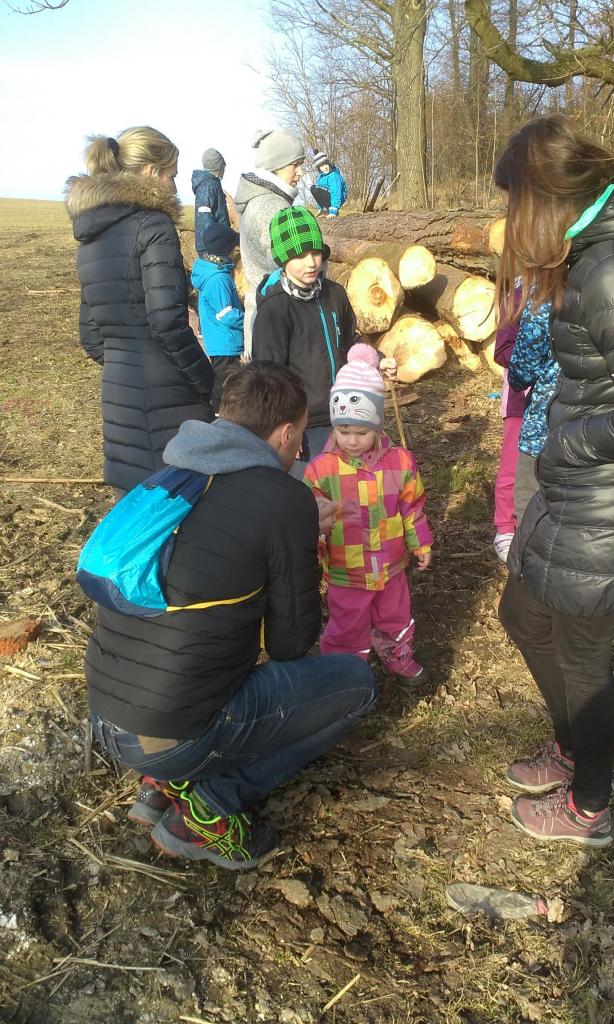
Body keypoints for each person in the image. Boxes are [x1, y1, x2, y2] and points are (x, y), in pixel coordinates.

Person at [85, 361, 378, 870]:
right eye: (297, 439)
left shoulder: (169, 474)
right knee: (357, 684)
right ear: (286, 434)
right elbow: (290, 645)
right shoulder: (283, 498)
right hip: (174, 731)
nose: (298, 449)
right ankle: (211, 802)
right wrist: (301, 539)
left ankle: (161, 785)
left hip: (108, 714)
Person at [494, 115, 614, 847]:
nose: (511, 218)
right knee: (523, 614)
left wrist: (562, 448)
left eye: (515, 201)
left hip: (612, 500)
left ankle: (589, 807)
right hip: (582, 490)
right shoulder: (595, 253)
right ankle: (572, 747)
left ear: (544, 196)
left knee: (583, 656)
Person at [66, 127, 214, 497]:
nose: (175, 186)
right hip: (171, 404)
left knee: (133, 515)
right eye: (172, 175)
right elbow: (166, 322)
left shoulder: (91, 238)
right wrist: (207, 382)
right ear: (150, 172)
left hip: (119, 402)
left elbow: (91, 336)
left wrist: (126, 364)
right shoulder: (154, 225)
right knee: (181, 512)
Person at [304, 344, 433, 678]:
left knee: (395, 614)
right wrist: (313, 546)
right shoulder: (321, 470)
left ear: (378, 424)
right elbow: (310, 517)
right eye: (343, 431)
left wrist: (420, 542)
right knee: (347, 622)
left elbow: (412, 506)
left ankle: (396, 653)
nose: (351, 440)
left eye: (361, 432)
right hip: (346, 568)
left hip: (391, 564)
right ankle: (345, 672)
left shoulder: (400, 462)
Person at [252, 206, 359, 475]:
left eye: (316, 252)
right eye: (300, 256)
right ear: (283, 260)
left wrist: (376, 360)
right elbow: (268, 375)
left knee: (353, 485)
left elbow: (351, 339)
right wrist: (285, 425)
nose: (311, 262)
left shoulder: (335, 294)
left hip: (347, 412)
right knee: (319, 488)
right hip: (306, 424)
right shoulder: (275, 308)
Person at [234, 128, 305, 344]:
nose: (301, 173)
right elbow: (294, 269)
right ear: (276, 167)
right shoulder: (272, 207)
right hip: (278, 324)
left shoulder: (260, 201)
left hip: (262, 315)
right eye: (295, 165)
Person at [507, 301, 558, 521]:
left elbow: (522, 369)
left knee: (530, 511)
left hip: (545, 426)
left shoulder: (546, 297)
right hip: (603, 426)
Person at [191, 223, 244, 412]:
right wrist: (249, 321)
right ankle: (217, 415)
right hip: (225, 342)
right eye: (233, 246)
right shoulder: (218, 279)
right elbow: (226, 314)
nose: (236, 249)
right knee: (223, 385)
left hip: (220, 342)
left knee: (226, 383)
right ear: (225, 249)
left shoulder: (214, 272)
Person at [491, 318, 527, 563]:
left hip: (558, 396)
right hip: (520, 399)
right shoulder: (517, 301)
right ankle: (505, 527)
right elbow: (503, 350)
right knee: (512, 464)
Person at [192, 148, 230, 257]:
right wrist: (215, 244)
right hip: (212, 248)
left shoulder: (211, 184)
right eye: (223, 167)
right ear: (219, 167)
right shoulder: (208, 186)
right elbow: (204, 217)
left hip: (216, 243)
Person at [310, 150, 348, 218]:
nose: (325, 167)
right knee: (313, 188)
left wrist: (333, 210)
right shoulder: (320, 178)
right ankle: (324, 210)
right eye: (321, 166)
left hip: (338, 198)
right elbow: (319, 196)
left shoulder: (334, 176)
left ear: (328, 163)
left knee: (318, 190)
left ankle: (333, 210)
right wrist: (320, 208)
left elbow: (336, 193)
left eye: (325, 164)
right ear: (319, 169)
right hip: (329, 197)